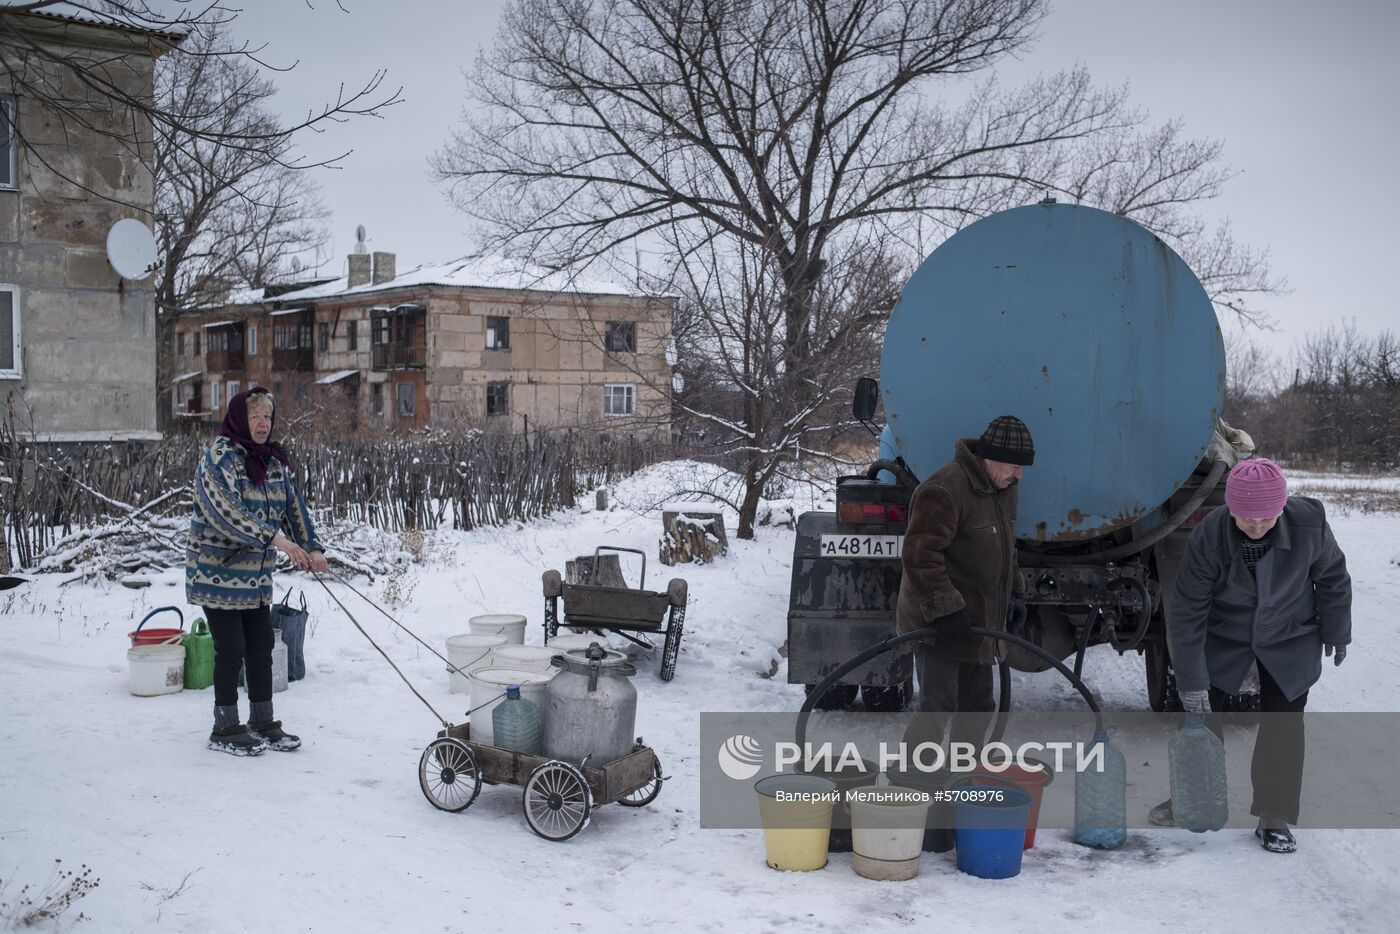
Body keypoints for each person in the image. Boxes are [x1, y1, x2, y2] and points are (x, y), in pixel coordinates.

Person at [1157, 457, 1351, 852]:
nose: (1257, 526)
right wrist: (1191, 682)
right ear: (1231, 510)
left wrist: (1337, 630)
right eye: (1247, 519)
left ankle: (1274, 815)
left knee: (1284, 724)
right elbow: (1187, 611)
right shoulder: (1210, 534)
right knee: (1200, 716)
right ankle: (1193, 800)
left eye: (1267, 518)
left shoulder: (1310, 524)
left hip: (1289, 635)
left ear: (1282, 507)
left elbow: (1333, 577)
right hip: (1225, 634)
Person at [187, 387, 329, 756]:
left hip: (254, 577)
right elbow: (227, 514)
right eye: (255, 417)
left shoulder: (272, 462)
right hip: (216, 574)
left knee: (262, 645)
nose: (263, 423)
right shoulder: (219, 459)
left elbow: (293, 505)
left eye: (268, 415)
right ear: (239, 419)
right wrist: (279, 542)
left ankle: (263, 722)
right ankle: (225, 727)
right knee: (231, 647)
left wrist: (311, 546)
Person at [896, 415, 1034, 753]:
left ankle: (962, 783)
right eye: (1014, 466)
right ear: (989, 457)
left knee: (978, 708)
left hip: (980, 626)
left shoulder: (1003, 490)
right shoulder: (943, 490)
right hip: (940, 626)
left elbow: (1007, 549)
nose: (1019, 475)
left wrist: (1015, 593)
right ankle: (912, 782)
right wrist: (945, 609)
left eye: (1022, 467)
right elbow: (919, 556)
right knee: (937, 709)